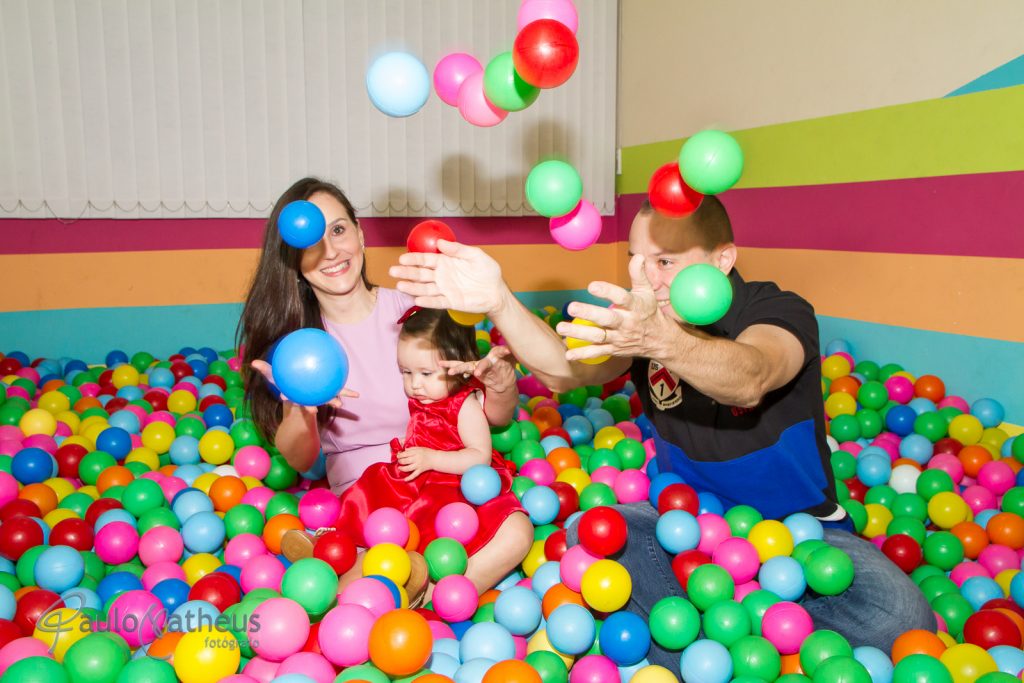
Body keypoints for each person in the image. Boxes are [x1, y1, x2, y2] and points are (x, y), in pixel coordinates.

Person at [390, 195, 935, 671]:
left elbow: (752, 377)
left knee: (903, 618)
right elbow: (563, 369)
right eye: (636, 261)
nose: (645, 280)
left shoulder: (776, 309)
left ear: (722, 261)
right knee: (592, 530)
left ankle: (730, 634)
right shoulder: (642, 320)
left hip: (805, 534)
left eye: (666, 262)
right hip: (687, 531)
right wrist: (501, 301)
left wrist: (661, 342)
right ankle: (705, 655)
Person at [238, 177, 533, 593]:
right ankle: (363, 576)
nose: (331, 250)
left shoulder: (417, 314)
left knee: (516, 533)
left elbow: (489, 418)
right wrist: (300, 406)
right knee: (375, 562)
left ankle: (420, 597)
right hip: (369, 501)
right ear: (293, 258)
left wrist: (501, 386)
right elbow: (302, 459)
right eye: (311, 241)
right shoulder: (299, 351)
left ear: (359, 234)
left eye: (338, 230)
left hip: (442, 478)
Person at [332, 307, 527, 593]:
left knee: (432, 531)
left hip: (454, 484)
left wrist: (431, 458)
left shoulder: (464, 405)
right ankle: (338, 559)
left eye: (426, 373)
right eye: (406, 372)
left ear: (458, 366)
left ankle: (427, 592)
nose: (414, 384)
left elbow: (479, 456)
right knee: (377, 522)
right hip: (414, 480)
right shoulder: (427, 397)